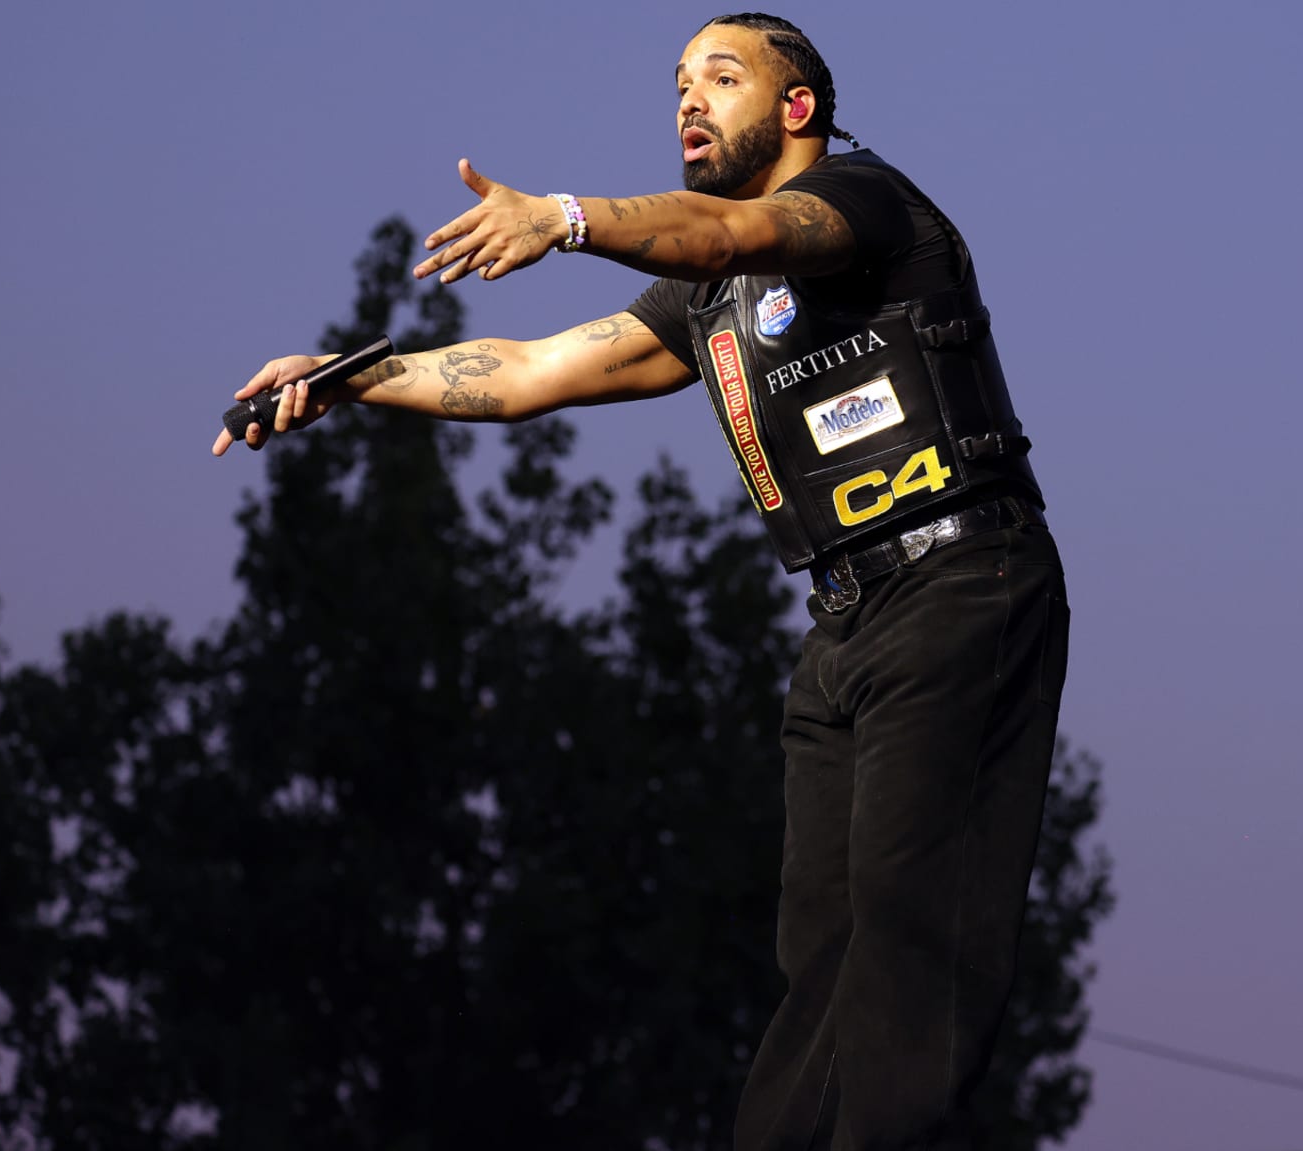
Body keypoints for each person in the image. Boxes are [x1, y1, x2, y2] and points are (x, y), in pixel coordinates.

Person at [212, 13, 1068, 1149]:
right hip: (843, 621)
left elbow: (728, 235)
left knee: (909, 933)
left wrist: (563, 217)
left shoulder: (863, 203)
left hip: (961, 578)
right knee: (819, 949)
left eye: (721, 76)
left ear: (797, 107)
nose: (688, 101)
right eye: (677, 84)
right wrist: (348, 377)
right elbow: (528, 371)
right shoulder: (705, 301)